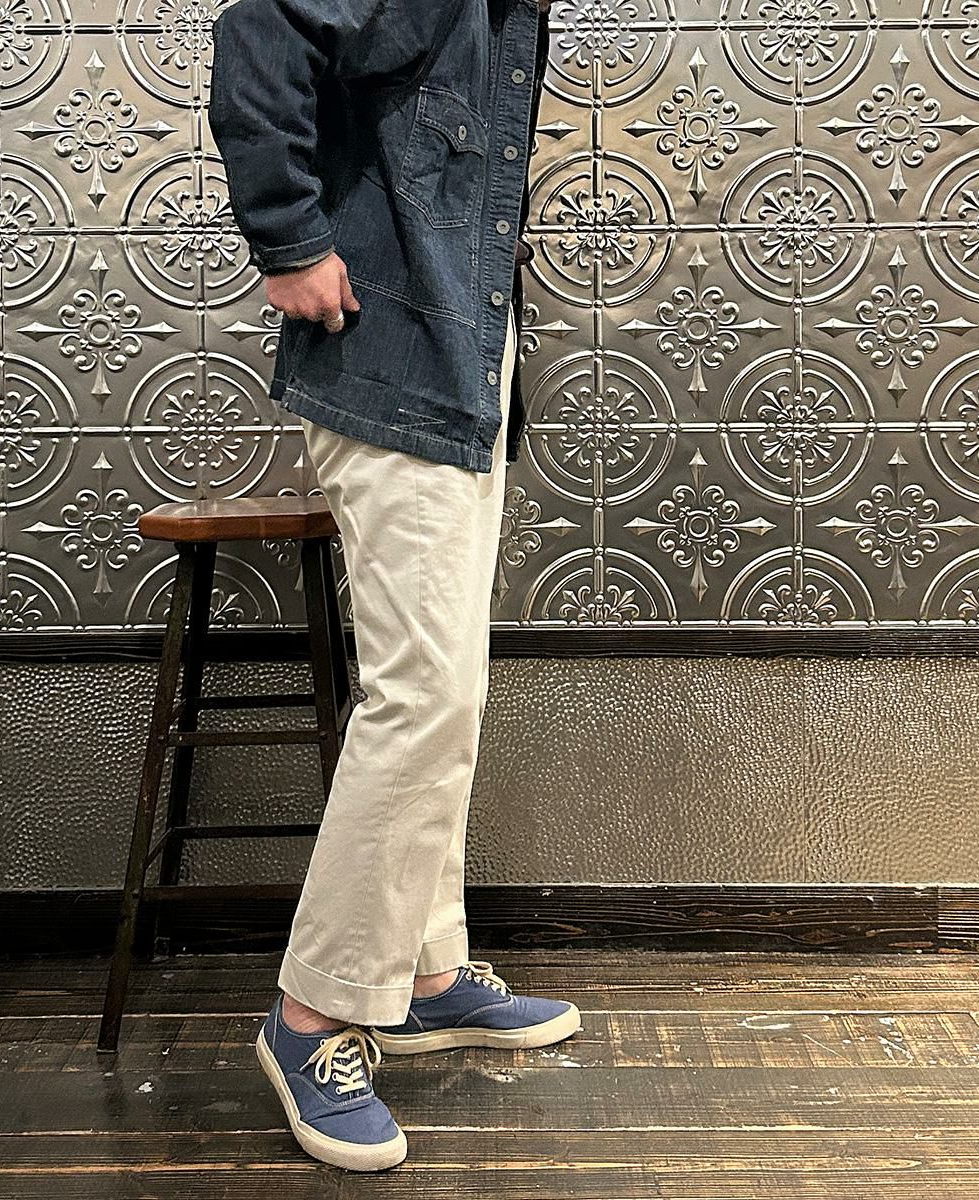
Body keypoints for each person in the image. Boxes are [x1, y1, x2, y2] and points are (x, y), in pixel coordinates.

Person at [208, 0, 577, 1173]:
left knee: (447, 690)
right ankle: (311, 1015)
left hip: (460, 365)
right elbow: (259, 32)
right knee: (425, 696)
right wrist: (288, 241)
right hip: (394, 359)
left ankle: (421, 973)